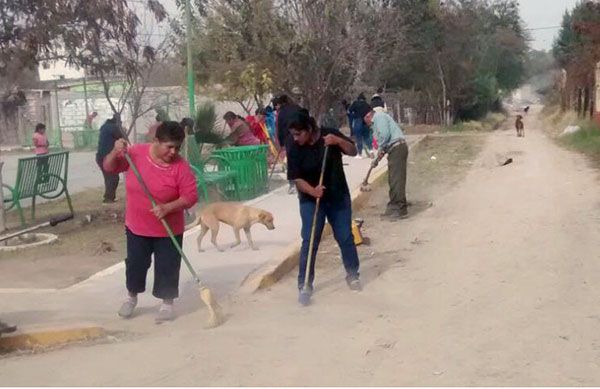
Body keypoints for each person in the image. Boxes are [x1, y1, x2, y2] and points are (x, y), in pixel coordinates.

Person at [103, 121, 199, 323]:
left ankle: (167, 303)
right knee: (136, 265)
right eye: (169, 146)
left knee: (168, 266)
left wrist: (167, 207)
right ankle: (131, 298)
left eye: (177, 147)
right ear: (156, 141)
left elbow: (190, 196)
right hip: (137, 226)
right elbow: (109, 167)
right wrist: (115, 151)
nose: (173, 152)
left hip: (168, 229)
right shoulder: (136, 153)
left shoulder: (180, 166)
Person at [286, 108, 362, 305]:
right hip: (311, 201)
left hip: (338, 197)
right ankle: (305, 285)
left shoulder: (329, 135)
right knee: (310, 240)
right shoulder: (294, 147)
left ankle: (353, 274)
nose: (295, 138)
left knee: (345, 236)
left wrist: (338, 142)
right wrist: (313, 191)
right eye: (293, 134)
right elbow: (296, 178)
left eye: (299, 133)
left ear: (309, 129)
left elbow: (353, 151)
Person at [364, 108, 409, 220]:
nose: (366, 123)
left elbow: (385, 136)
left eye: (365, 120)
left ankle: (400, 209)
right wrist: (378, 158)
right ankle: (393, 207)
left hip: (397, 148)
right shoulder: (376, 122)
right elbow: (384, 142)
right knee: (393, 180)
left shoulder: (379, 117)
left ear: (367, 116)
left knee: (397, 180)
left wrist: (380, 151)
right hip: (393, 149)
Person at [275, 94, 302, 194]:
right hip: (301, 136)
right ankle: (304, 182)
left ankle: (292, 185)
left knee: (291, 161)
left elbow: (280, 128)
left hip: (289, 138)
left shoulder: (281, 113)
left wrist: (282, 143)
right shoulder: (298, 108)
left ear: (281, 103)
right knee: (301, 159)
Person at [96, 113, 125, 204]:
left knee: (110, 177)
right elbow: (122, 135)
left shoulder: (105, 126)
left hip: (101, 156)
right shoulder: (113, 127)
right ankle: (108, 199)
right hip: (106, 157)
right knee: (112, 178)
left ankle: (109, 197)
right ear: (118, 121)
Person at [348, 93, 373, 158]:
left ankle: (360, 154)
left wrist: (353, 116)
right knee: (367, 137)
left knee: (358, 138)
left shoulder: (355, 103)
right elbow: (370, 112)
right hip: (365, 122)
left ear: (358, 98)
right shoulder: (367, 104)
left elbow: (349, 111)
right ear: (364, 99)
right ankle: (371, 151)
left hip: (357, 121)